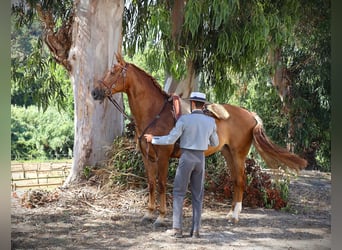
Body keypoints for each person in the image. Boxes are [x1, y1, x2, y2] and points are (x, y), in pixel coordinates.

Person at [144, 92, 219, 238]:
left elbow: (170, 139)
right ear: (203, 105)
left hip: (187, 158)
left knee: (179, 193)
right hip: (200, 159)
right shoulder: (210, 122)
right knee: (198, 195)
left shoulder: (185, 120)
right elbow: (215, 143)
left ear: (192, 104)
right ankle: (196, 230)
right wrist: (202, 139)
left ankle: (177, 229)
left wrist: (153, 139)